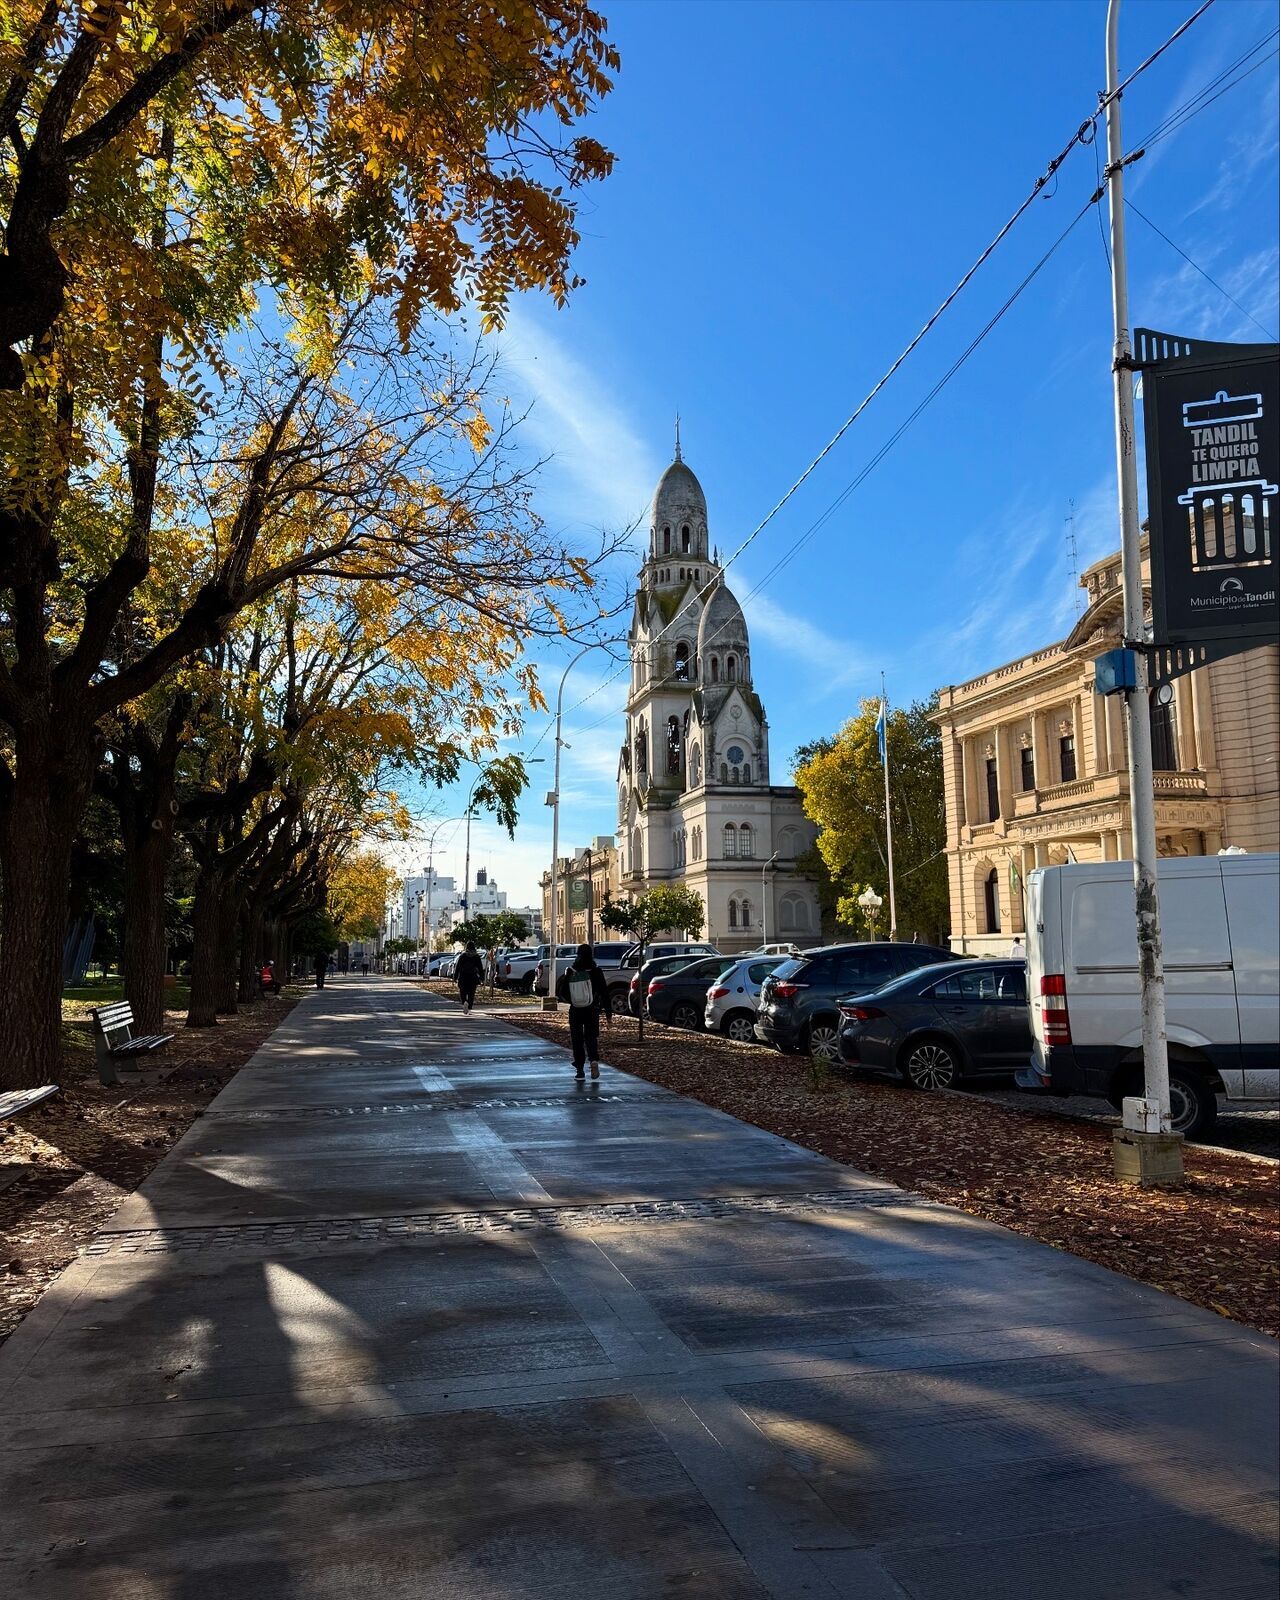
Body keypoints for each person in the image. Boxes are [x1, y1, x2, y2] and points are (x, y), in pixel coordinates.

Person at [555, 942, 611, 1080]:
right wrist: (608, 1012)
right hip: (592, 1009)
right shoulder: (596, 970)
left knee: (577, 1039)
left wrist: (572, 1000)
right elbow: (604, 992)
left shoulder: (571, 971)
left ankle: (580, 1070)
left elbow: (562, 991)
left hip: (576, 1010)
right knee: (591, 1037)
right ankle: (593, 1060)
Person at [455, 941, 485, 1013]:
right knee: (471, 993)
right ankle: (469, 1005)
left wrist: (455, 977)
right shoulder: (476, 957)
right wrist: (482, 978)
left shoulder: (463, 956)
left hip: (463, 977)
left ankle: (464, 1002)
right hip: (473, 977)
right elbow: (480, 968)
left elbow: (458, 967)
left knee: (463, 992)